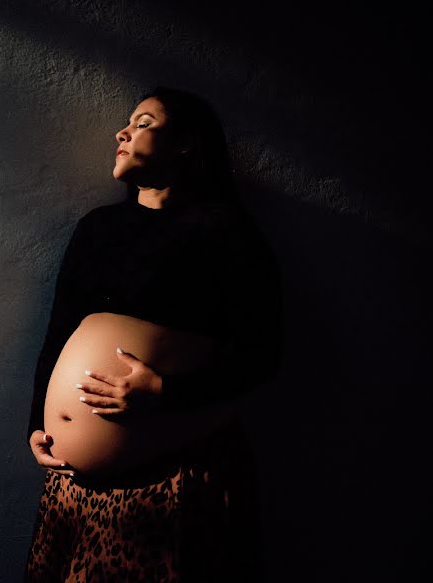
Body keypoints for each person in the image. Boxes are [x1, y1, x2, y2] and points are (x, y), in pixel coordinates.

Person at [23, 85, 284, 582]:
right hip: (76, 489)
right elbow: (59, 333)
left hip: (176, 476)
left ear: (186, 143)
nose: (122, 131)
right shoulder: (98, 229)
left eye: (143, 122)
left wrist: (166, 392)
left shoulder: (226, 232)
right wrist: (37, 421)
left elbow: (264, 353)